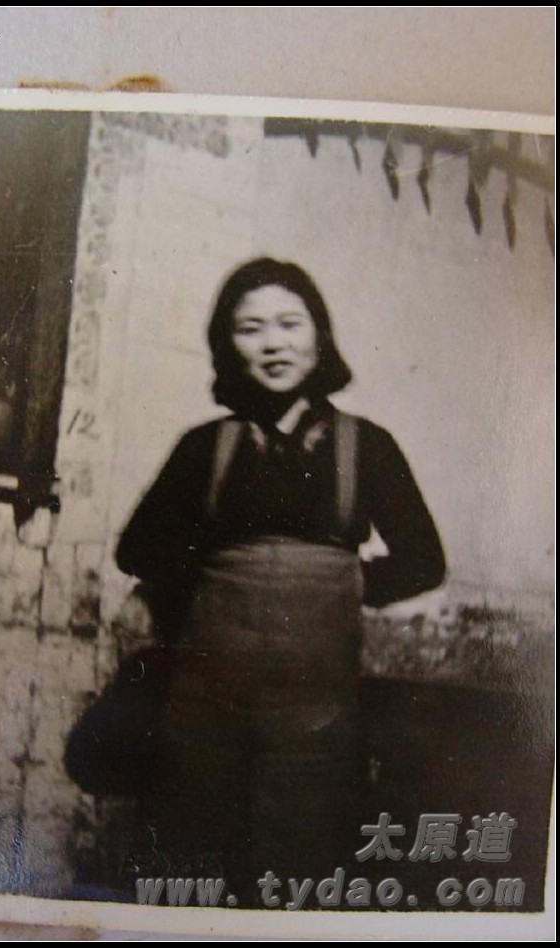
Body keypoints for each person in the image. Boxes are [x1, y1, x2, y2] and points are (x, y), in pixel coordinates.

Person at [114, 257, 446, 904]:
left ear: (320, 338)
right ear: (227, 345)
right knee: (189, 872)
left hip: (316, 720)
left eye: (290, 324)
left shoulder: (367, 447)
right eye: (251, 328)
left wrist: (345, 584)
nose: (273, 343)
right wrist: (217, 588)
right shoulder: (204, 447)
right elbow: (140, 549)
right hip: (204, 712)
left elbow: (424, 559)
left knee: (298, 880)